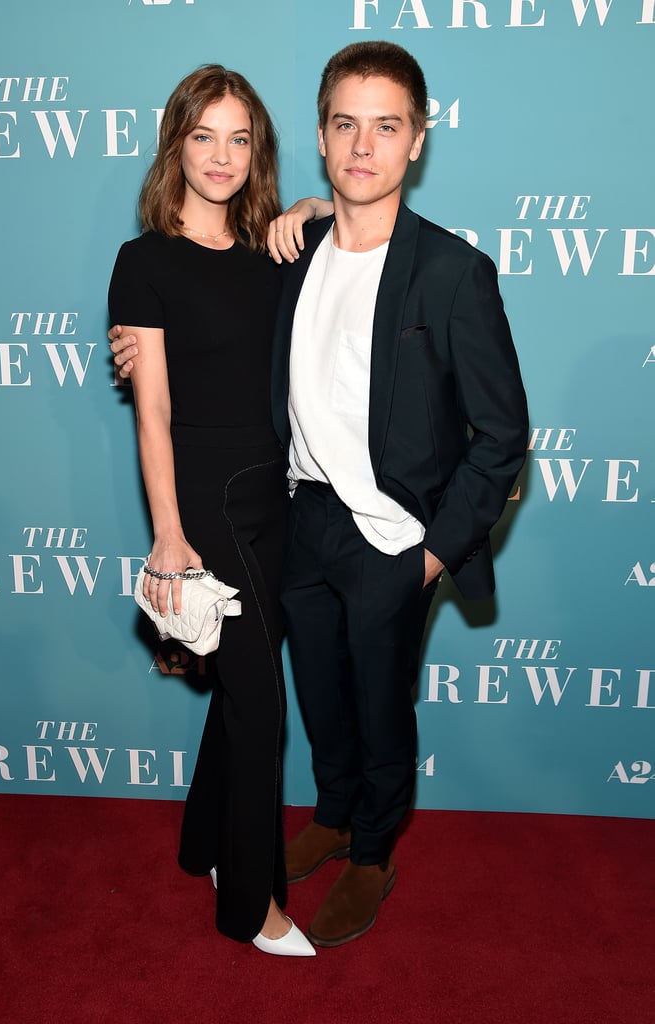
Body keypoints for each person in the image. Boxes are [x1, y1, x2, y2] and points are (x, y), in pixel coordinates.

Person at [113, 41, 529, 950]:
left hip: (393, 540)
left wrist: (431, 552)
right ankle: (334, 816)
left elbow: (500, 439)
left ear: (416, 140)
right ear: (318, 135)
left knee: (382, 705)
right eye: (345, 124)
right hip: (297, 523)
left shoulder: (454, 273)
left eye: (386, 126)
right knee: (318, 698)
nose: (363, 146)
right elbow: (201, 317)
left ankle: (374, 852)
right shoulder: (290, 249)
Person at [107, 65, 315, 957]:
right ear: (176, 146)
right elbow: (150, 411)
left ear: (255, 149)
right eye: (203, 136)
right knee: (261, 704)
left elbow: (361, 222)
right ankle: (252, 904)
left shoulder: (278, 252)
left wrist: (306, 207)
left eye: (239, 138)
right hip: (204, 499)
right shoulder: (143, 262)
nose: (221, 156)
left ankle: (207, 845)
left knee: (242, 686)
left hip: (280, 492)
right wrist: (167, 531)